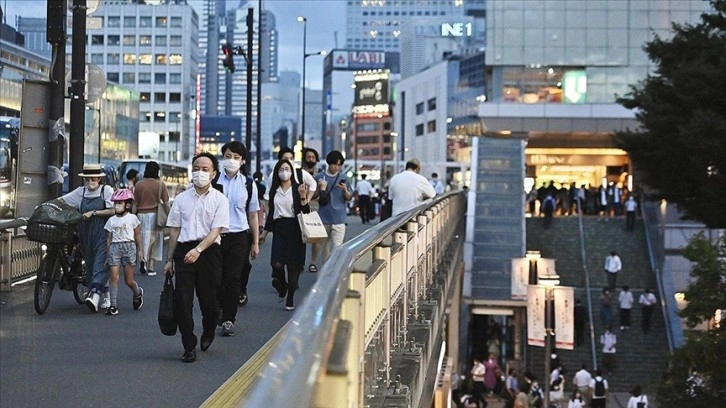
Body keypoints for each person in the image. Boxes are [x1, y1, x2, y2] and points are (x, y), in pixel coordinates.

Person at [164, 152, 230, 363]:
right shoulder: (181, 199)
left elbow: (216, 231)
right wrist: (169, 260)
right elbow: (174, 231)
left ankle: (209, 330)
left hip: (209, 252)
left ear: (213, 174)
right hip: (184, 251)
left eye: (205, 169)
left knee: (209, 303)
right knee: (183, 301)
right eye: (196, 168)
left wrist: (199, 250)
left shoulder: (220, 199)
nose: (200, 173)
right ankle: (189, 345)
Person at [215, 141, 260, 335]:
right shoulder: (214, 180)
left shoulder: (248, 184)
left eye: (236, 157)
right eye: (227, 156)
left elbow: (252, 214)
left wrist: (256, 242)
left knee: (233, 278)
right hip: (215, 235)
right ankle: (217, 310)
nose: (231, 160)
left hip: (239, 236)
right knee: (216, 277)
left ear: (242, 161)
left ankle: (228, 319)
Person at [60, 163, 115, 313]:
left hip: (104, 232)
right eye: (87, 179)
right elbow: (63, 201)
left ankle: (95, 297)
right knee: (91, 264)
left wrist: (94, 213)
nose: (90, 182)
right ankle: (102, 294)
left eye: (93, 179)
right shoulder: (80, 192)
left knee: (100, 262)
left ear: (99, 179)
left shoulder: (106, 191)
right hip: (85, 234)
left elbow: (113, 210)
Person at [260, 159, 310, 311]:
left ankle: (290, 297)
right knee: (276, 263)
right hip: (279, 228)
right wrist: (265, 232)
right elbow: (271, 214)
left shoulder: (298, 188)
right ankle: (283, 285)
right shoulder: (274, 190)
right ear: (276, 172)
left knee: (294, 266)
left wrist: (303, 196)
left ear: (292, 171)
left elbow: (306, 212)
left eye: (287, 168)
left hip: (295, 227)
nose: (284, 172)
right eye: (281, 169)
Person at [103, 188, 144, 316]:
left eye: (120, 203)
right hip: (115, 247)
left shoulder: (132, 218)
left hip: (129, 247)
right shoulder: (111, 220)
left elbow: (137, 235)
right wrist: (107, 254)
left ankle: (137, 292)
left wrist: (140, 250)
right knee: (114, 277)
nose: (117, 206)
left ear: (127, 205)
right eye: (115, 203)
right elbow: (109, 238)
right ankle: (113, 305)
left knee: (128, 280)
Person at [315, 150, 352, 266]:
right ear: (328, 163)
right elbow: (315, 196)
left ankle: (334, 272)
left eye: (339, 165)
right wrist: (321, 188)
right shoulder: (320, 177)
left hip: (339, 218)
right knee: (325, 250)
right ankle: (325, 274)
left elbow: (348, 197)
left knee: (337, 248)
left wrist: (345, 190)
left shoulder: (344, 178)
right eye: (334, 164)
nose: (336, 167)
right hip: (324, 218)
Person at [132, 161, 170, 276]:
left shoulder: (138, 185)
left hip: (141, 216)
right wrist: (171, 216)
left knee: (142, 239)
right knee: (155, 240)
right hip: (155, 215)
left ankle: (143, 259)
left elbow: (135, 203)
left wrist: (132, 217)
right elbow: (166, 202)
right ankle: (152, 266)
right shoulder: (160, 184)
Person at [301, 148, 322, 272]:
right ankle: (299, 262)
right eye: (308, 157)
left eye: (313, 157)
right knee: (300, 236)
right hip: (301, 206)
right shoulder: (299, 173)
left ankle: (313, 262)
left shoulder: (320, 174)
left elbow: (321, 193)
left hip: (316, 207)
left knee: (316, 236)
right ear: (304, 158)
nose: (311, 160)